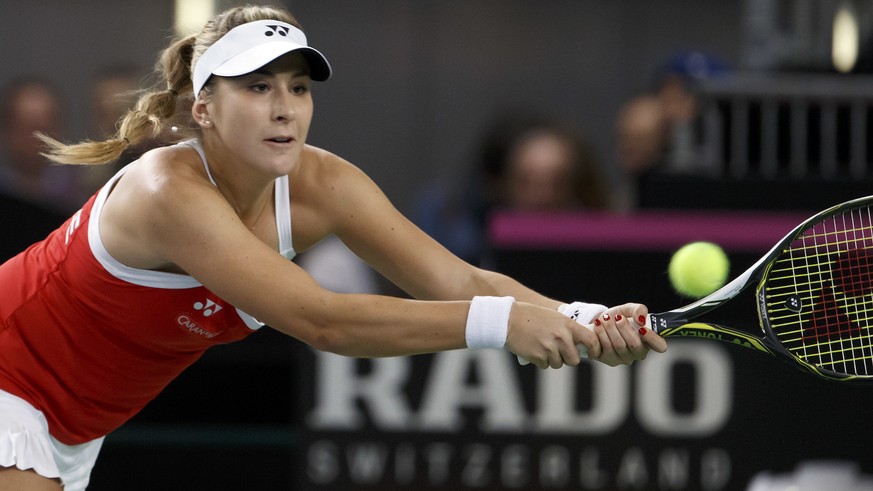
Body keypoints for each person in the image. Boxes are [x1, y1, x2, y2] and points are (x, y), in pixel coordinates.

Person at [0, 5, 667, 490]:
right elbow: (325, 319)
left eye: (297, 87)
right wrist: (502, 325)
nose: (283, 107)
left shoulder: (325, 183)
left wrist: (583, 317)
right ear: (202, 109)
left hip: (73, 427)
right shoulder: (165, 191)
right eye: (256, 88)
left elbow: (458, 280)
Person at [416, 112, 611, 265]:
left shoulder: (602, 249)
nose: (542, 195)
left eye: (556, 182)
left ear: (575, 188)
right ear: (504, 184)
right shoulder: (469, 248)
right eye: (526, 181)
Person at [0, 77, 83, 214]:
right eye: (28, 128)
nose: (38, 139)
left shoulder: (83, 189)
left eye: (45, 128)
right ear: (7, 131)